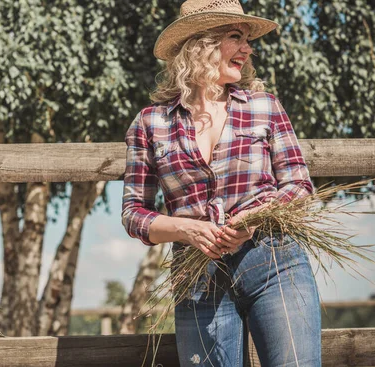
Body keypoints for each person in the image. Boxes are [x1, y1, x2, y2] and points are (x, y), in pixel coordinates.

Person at [121, 0, 321, 366]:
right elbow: (134, 213)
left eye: (247, 39)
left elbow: (299, 185)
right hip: (198, 278)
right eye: (235, 37)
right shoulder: (150, 123)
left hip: (274, 262)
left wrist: (256, 216)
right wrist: (186, 229)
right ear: (200, 44)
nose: (248, 48)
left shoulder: (265, 106)